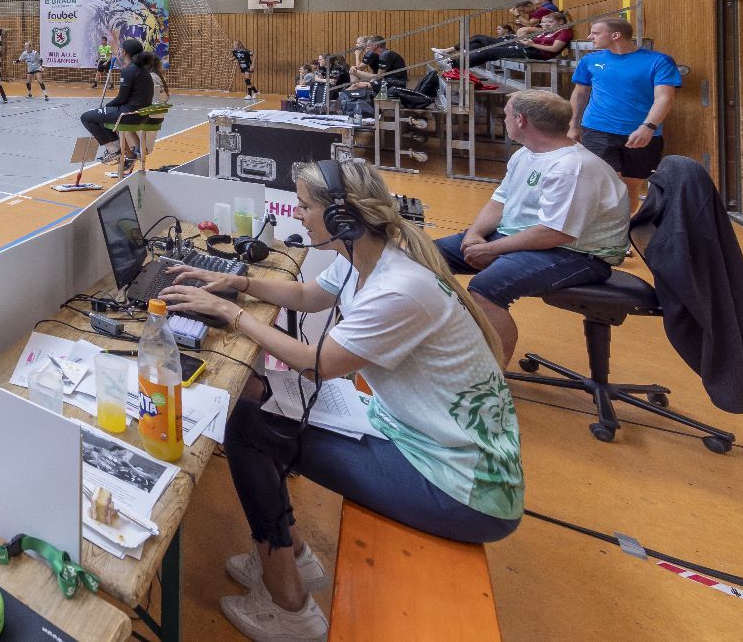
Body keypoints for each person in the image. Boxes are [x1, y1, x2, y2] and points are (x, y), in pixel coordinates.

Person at [159, 159, 522, 639]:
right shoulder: (368, 255)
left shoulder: (399, 290)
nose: (297, 214)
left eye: (305, 206)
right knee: (256, 396)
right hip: (418, 436)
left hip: (461, 488)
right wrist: (239, 283)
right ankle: (291, 555)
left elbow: (316, 364)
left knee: (245, 427)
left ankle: (289, 608)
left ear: (341, 217)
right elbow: (310, 295)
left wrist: (230, 312)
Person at [435, 90, 629, 363]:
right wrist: (475, 233)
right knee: (423, 256)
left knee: (487, 288)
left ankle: (493, 375)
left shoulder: (571, 167)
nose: (504, 120)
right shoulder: (526, 154)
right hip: (526, 237)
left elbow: (555, 233)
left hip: (576, 254)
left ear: (521, 120)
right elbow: (500, 201)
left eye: (506, 115)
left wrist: (490, 249)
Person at [568, 17, 680, 182]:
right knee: (605, 184)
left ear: (615, 35)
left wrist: (648, 127)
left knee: (631, 186)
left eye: (596, 33)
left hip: (641, 132)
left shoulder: (659, 61)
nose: (590, 37)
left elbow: (664, 98)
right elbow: (579, 94)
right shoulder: (589, 60)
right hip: (597, 129)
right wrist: (573, 125)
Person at [79, 37, 154, 164]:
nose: (119, 51)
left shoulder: (129, 70)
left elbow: (122, 98)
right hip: (142, 114)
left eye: (121, 49)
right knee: (102, 115)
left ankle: (113, 150)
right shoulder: (143, 69)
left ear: (125, 52)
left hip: (130, 114)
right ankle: (126, 152)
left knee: (86, 117)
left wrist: (105, 107)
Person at [458, 12, 572, 72]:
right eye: (545, 23)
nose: (546, 25)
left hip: (534, 52)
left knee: (487, 51)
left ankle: (456, 65)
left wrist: (533, 44)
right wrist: (527, 41)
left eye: (550, 22)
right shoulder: (550, 32)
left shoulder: (564, 32)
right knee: (481, 45)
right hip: (527, 47)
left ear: (561, 22)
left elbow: (554, 49)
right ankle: (456, 63)